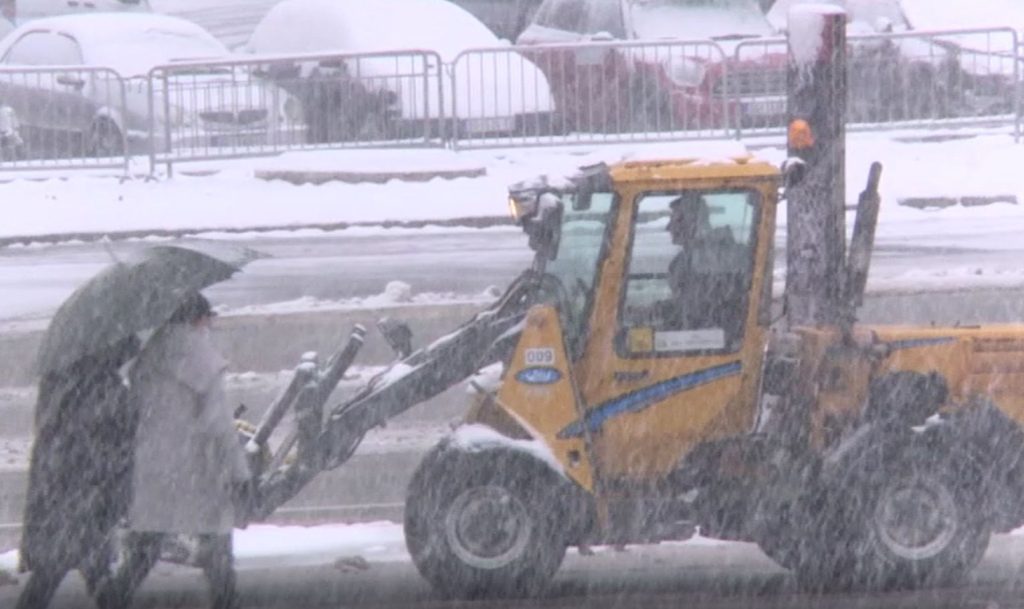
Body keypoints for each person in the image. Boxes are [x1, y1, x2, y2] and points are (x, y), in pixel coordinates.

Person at [110, 291, 251, 609]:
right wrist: (239, 472)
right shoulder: (201, 357)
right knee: (217, 546)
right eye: (208, 318)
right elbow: (218, 425)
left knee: (145, 545)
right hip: (195, 468)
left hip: (153, 465)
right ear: (197, 319)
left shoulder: (149, 357)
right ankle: (226, 603)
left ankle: (113, 599)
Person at [17, 335, 141, 609]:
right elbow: (122, 440)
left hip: (59, 490)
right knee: (84, 565)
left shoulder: (58, 383)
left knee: (61, 567)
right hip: (91, 491)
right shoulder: (108, 389)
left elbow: (52, 432)